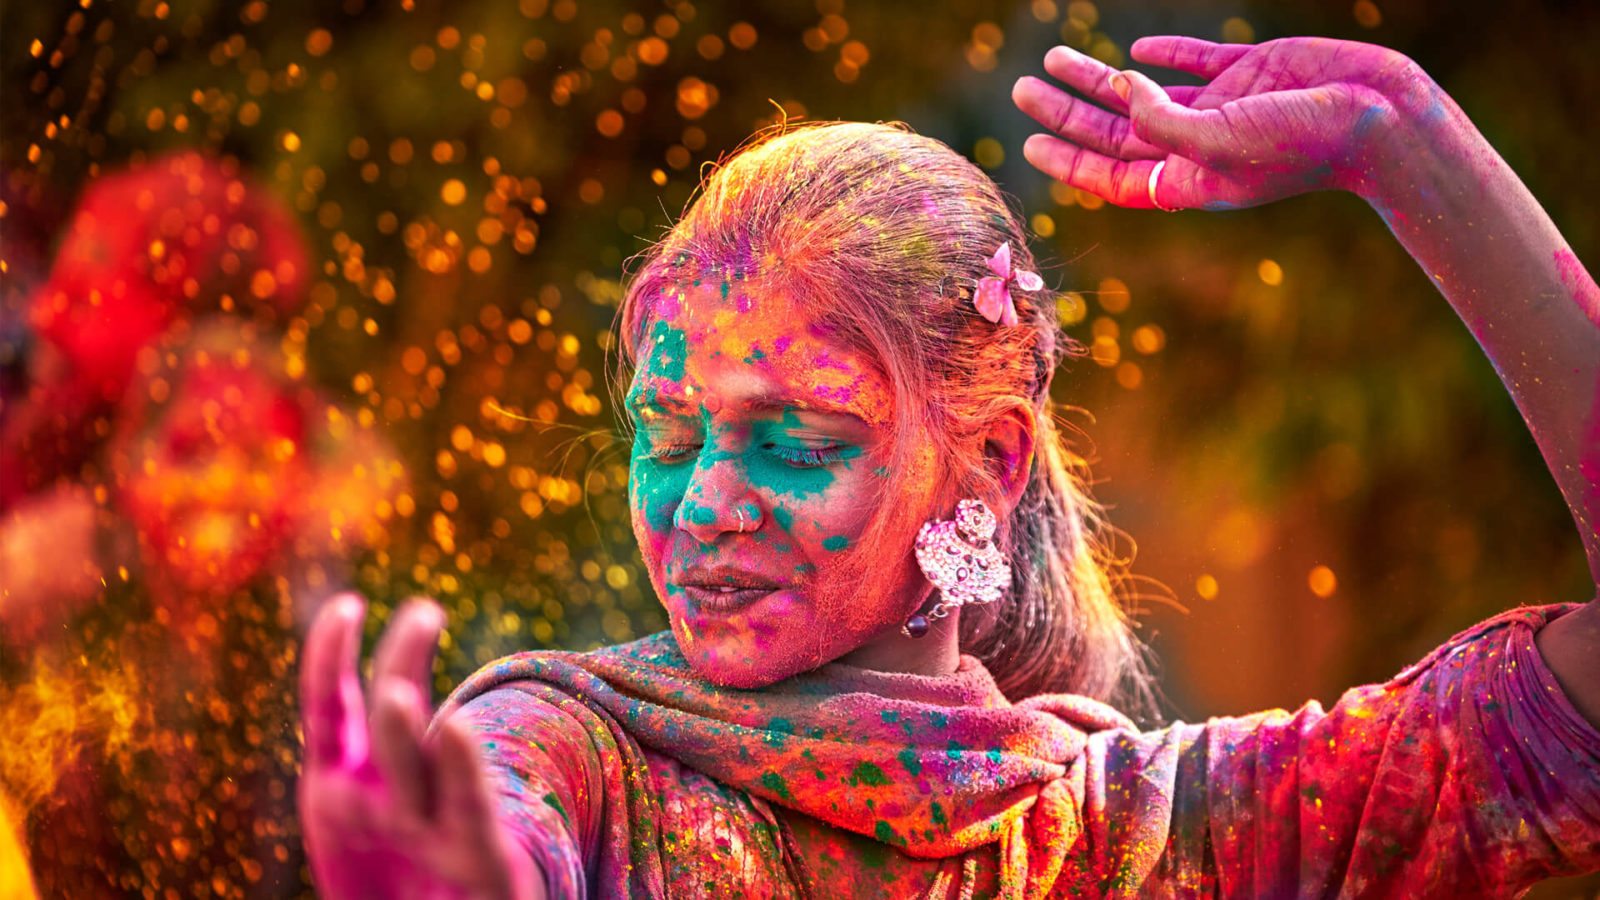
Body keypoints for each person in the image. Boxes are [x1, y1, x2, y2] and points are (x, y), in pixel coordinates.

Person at [297, 35, 1600, 898]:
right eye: (668, 432)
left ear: (984, 465)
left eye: (797, 441)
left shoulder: (1146, 837)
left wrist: (1406, 140)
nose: (701, 504)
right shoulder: (566, 756)